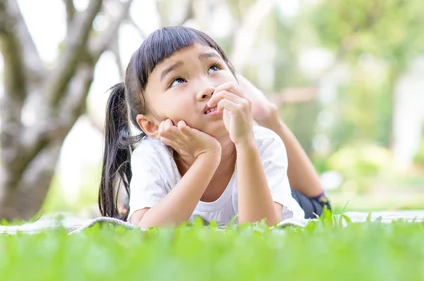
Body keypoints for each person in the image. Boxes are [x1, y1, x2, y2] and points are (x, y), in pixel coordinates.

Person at [99, 26, 331, 228]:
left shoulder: (261, 143)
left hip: (288, 200)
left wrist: (245, 144)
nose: (206, 87)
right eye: (178, 80)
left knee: (322, 208)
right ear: (151, 125)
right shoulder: (152, 154)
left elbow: (261, 233)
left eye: (213, 68)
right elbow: (146, 235)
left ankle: (266, 113)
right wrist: (207, 157)